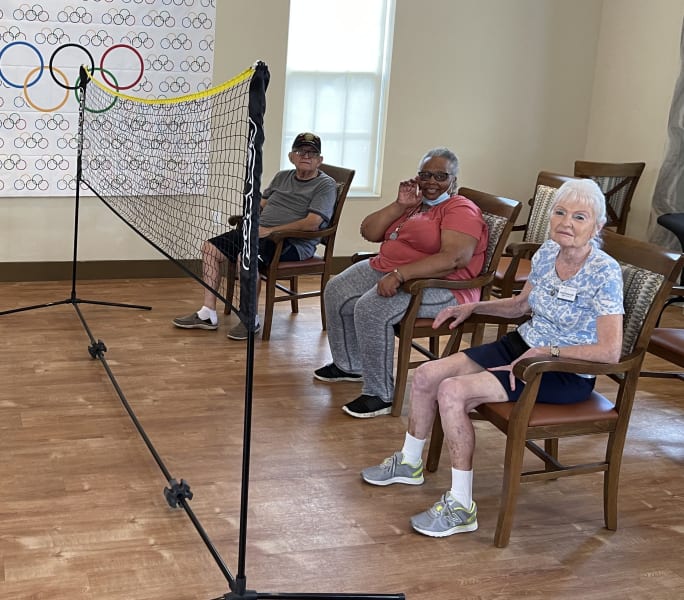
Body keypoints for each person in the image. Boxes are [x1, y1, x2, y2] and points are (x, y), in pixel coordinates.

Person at [360, 178, 624, 538]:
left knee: (453, 392)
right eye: (560, 213)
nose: (567, 223)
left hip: (564, 369)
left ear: (598, 226)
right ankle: (409, 462)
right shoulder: (548, 251)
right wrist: (473, 307)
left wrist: (549, 351)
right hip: (524, 345)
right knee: (426, 375)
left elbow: (610, 353)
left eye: (580, 217)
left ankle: (461, 506)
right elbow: (520, 305)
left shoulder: (605, 272)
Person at [314, 147, 489, 418]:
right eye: (425, 175)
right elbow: (369, 231)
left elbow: (455, 258)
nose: (431, 182)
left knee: (371, 308)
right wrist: (400, 204)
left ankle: (380, 394)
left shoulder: (460, 209)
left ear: (454, 179)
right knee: (337, 289)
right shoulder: (415, 204)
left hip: (442, 285)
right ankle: (349, 365)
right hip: (389, 267)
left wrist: (400, 275)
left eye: (440, 176)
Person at [173, 132, 337, 340]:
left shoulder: (325, 185)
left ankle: (250, 319)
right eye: (300, 151)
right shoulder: (282, 176)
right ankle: (207, 313)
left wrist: (271, 231)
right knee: (209, 248)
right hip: (259, 233)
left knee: (246, 258)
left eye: (312, 153)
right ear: (291, 156)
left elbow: (313, 224)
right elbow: (263, 204)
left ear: (320, 160)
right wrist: (249, 216)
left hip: (290, 241)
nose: (306, 156)